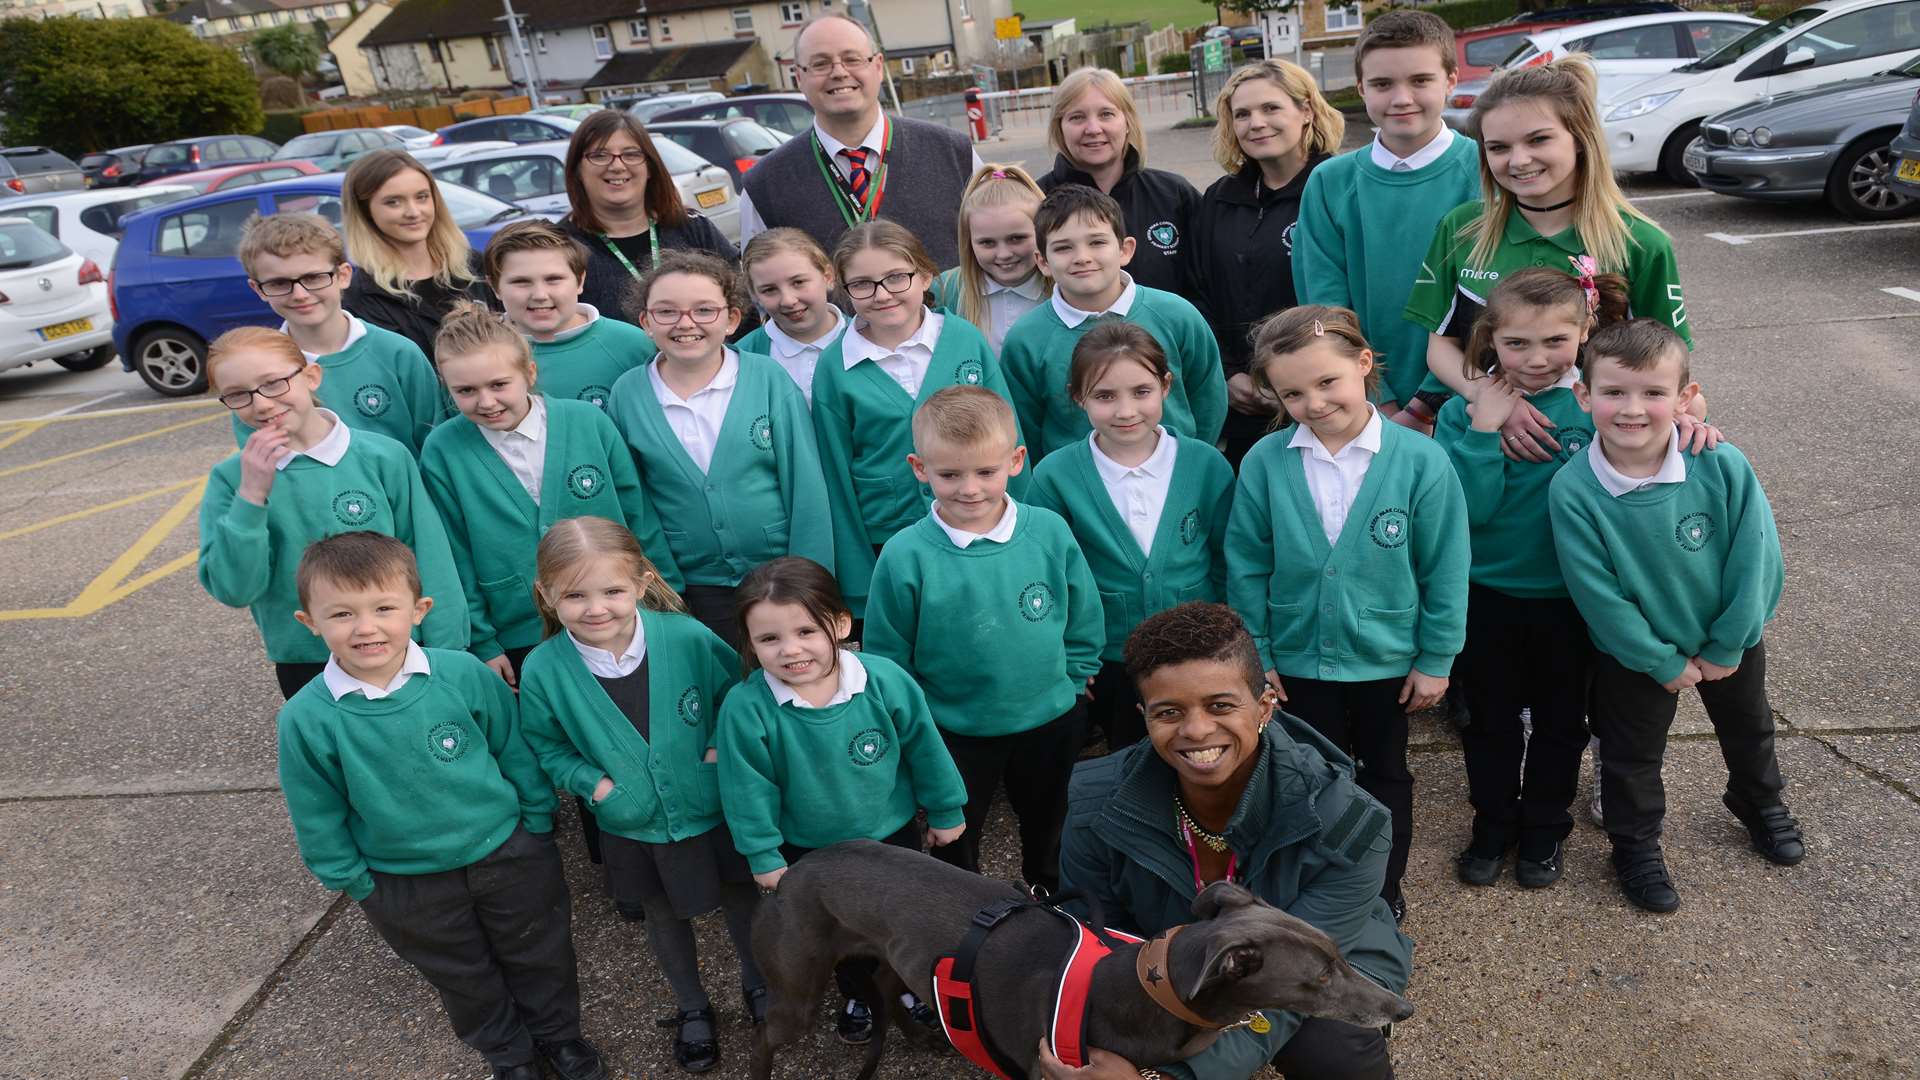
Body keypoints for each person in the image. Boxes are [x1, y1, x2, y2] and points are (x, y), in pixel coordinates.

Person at [276, 532, 605, 1080]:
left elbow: (512, 748)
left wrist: (535, 819)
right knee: (463, 976)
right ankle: (511, 1055)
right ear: (309, 621)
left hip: (508, 853)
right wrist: (354, 880)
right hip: (404, 882)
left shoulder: (460, 673)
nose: (366, 627)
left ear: (419, 609)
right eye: (341, 614)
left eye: (384, 608)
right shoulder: (306, 719)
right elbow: (315, 807)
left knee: (540, 952)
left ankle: (558, 1037)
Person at [1049, 602, 1411, 1080]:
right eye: (1169, 712)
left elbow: (1295, 988)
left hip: (1322, 963)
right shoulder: (1096, 805)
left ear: (1264, 706)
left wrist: (1172, 1077)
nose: (1196, 730)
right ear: (1144, 716)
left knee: (1331, 1052)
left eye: (1220, 705)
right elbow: (1095, 940)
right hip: (1176, 968)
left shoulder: (1348, 820)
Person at [1225, 306, 1469, 922]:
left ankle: (1382, 889)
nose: (1314, 401)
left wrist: (1436, 658)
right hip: (1299, 663)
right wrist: (1259, 656)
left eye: (1327, 381)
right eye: (1293, 392)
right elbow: (1247, 565)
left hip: (1387, 660)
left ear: (1363, 364)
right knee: (1305, 780)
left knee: (1385, 776)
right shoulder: (1265, 460)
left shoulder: (1420, 460)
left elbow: (1444, 566)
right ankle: (1322, 887)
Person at [1549, 319, 1801, 913]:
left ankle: (1758, 799)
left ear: (1685, 398)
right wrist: (1656, 659)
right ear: (1584, 396)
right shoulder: (1573, 488)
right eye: (1613, 392)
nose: (1632, 409)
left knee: (1749, 727)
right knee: (1631, 754)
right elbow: (1596, 592)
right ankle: (1633, 846)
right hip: (1637, 653)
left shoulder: (1719, 462)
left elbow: (1756, 554)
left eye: (1653, 393)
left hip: (1728, 638)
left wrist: (1728, 644)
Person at [515, 517, 765, 1072]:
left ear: (642, 582)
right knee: (661, 914)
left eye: (612, 590)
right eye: (575, 595)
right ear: (546, 596)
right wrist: (594, 785)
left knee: (743, 896)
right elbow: (544, 742)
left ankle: (760, 984)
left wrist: (716, 753)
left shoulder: (687, 637)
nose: (595, 607)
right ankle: (693, 1006)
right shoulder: (544, 669)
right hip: (631, 822)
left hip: (713, 806)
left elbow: (738, 696)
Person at [714, 556, 969, 1046]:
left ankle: (912, 987)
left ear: (840, 623)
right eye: (769, 639)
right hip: (808, 848)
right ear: (749, 644)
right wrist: (763, 853)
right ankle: (857, 994)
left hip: (889, 833)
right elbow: (746, 788)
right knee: (833, 929)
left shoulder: (884, 679)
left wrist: (946, 808)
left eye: (806, 631)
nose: (791, 650)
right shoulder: (746, 709)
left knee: (901, 919)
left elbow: (924, 746)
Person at [1430, 268, 1629, 889]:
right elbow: (1468, 512)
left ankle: (1545, 831)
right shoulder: (1469, 414)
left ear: (1585, 332)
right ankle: (1492, 824)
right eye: (1517, 344)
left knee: (1562, 725)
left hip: (1573, 600)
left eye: (1555, 342)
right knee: (1488, 723)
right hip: (1487, 596)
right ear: (1489, 338)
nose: (1536, 359)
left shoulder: (1596, 405)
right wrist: (1484, 431)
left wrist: (1696, 422)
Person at [862, 387, 1103, 893]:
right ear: (919, 467)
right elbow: (888, 653)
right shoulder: (905, 554)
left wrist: (1077, 674)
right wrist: (914, 721)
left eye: (985, 472)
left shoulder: (1049, 531)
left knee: (1050, 824)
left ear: (1015, 461)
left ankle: (1053, 904)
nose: (970, 488)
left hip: (1049, 717)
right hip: (954, 730)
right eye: (949, 474)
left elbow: (1081, 611)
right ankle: (966, 919)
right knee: (956, 837)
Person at [1406, 56, 1692, 453]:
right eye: (1499, 147)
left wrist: (1694, 418)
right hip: (1486, 442)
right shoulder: (1461, 228)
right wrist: (1496, 401)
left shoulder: (1640, 241)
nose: (1518, 160)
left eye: (1538, 140)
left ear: (1579, 138)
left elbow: (1670, 364)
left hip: (1600, 451)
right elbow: (1440, 346)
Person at [419, 300, 681, 688]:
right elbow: (453, 553)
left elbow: (638, 514)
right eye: (466, 391)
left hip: (616, 613)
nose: (486, 402)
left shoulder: (587, 422)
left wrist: (667, 598)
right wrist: (483, 640)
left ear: (529, 372)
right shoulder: (442, 449)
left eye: (499, 385)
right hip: (521, 631)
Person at [197, 326, 467, 700]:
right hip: (305, 661)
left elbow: (431, 557)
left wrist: (449, 651)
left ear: (311, 376)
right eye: (238, 395)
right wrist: (251, 497)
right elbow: (234, 589)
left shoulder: (384, 457)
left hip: (401, 650)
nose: (260, 404)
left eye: (274, 383)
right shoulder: (231, 480)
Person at [606, 250, 832, 647]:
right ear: (645, 322)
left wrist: (809, 576)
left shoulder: (767, 379)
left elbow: (806, 483)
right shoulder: (628, 393)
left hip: (781, 574)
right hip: (694, 585)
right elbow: (636, 499)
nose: (686, 323)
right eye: (667, 312)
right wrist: (664, 584)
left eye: (704, 310)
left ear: (730, 319)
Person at [1028, 323, 1233, 753]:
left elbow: (1226, 558)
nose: (1125, 411)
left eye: (1141, 391)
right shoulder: (1055, 476)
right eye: (1104, 396)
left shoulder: (1206, 464)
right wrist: (1069, 657)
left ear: (1165, 386)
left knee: (1200, 751)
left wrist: (1229, 639)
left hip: (1199, 654)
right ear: (1077, 396)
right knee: (1128, 759)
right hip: (1109, 659)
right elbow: (1046, 575)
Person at [812, 220, 1016, 619]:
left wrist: (1023, 527)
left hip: (980, 523)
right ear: (845, 289)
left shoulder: (964, 340)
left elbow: (1010, 436)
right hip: (889, 536)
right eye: (863, 284)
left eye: (896, 278)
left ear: (924, 276)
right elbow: (835, 476)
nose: (882, 294)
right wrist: (859, 584)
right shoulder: (834, 367)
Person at [1293, 10, 1481, 428]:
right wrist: (1380, 398)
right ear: (1360, 87)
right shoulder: (1329, 183)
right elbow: (1326, 306)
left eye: (1420, 80)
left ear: (1451, 80)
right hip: (1363, 403)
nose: (1401, 98)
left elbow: (1491, 301)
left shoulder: (1487, 172)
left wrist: (1427, 403)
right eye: (1382, 84)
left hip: (1471, 397)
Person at [1191, 60, 1345, 469]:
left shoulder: (1339, 187)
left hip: (1320, 400)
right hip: (1241, 402)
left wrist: (1295, 383)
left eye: (1271, 108)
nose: (1256, 123)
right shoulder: (1219, 198)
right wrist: (1225, 375)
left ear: (1307, 110)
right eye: (1242, 114)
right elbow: (1199, 292)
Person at [1001, 184, 1226, 462]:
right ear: (1043, 261)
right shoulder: (1026, 339)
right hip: (1075, 490)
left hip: (1176, 471)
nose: (1082, 257)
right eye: (1063, 248)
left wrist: (1192, 459)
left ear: (1125, 250)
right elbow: (1026, 426)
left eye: (1097, 242)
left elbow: (1208, 398)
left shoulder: (1177, 315)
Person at [738, 12, 982, 267]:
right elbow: (759, 288)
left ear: (877, 66)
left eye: (852, 59)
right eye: (820, 64)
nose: (839, 72)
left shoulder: (953, 153)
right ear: (799, 77)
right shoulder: (764, 185)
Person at [236, 212, 444, 456]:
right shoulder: (253, 373)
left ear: (343, 275)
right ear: (257, 289)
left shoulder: (399, 353)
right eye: (279, 283)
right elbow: (260, 464)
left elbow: (436, 446)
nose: (300, 294)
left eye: (313, 277)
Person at [557, 110, 736, 324]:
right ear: (577, 169)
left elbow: (742, 305)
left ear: (649, 167)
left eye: (631, 154)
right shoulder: (559, 246)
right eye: (599, 155)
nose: (617, 166)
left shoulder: (694, 229)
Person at [1037, 67, 1200, 296]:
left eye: (1106, 114)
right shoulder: (1035, 199)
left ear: (1127, 122)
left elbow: (1206, 285)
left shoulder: (1174, 194)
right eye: (1077, 117)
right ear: (1059, 127)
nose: (1093, 129)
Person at [484, 219, 658, 412]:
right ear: (494, 287)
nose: (540, 295)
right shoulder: (473, 354)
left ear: (580, 280)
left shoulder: (634, 345)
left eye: (554, 279)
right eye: (521, 282)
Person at [340, 150, 495, 360]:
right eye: (393, 202)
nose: (413, 212)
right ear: (365, 211)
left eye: (422, 197)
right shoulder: (360, 298)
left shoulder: (476, 266)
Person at [930, 164, 1051, 355]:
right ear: (969, 242)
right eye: (987, 243)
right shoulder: (946, 290)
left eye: (1016, 238)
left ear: (1043, 231)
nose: (1003, 254)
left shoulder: (1066, 286)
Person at [736, 227, 847, 403]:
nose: (788, 300)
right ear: (754, 294)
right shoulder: (741, 359)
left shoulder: (870, 337)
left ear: (828, 276)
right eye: (769, 290)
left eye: (798, 282)